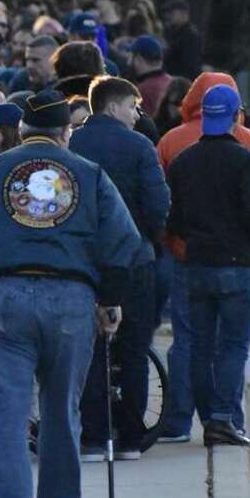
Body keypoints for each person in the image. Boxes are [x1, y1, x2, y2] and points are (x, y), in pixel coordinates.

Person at [0, 89, 142, 498]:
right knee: (59, 409)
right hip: (71, 297)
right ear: (65, 133)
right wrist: (110, 300)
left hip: (3, 295)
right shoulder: (89, 176)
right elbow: (123, 242)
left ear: (23, 132)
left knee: (7, 412)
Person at [157, 72, 250, 442]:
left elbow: (171, 216)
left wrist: (179, 247)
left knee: (194, 344)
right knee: (232, 346)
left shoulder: (178, 154)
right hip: (236, 264)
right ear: (235, 114)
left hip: (193, 262)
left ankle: (188, 418)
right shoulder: (248, 154)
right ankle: (223, 418)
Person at [69, 77, 170, 460]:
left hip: (83, 264)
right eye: (132, 106)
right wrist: (150, 237)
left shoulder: (73, 145)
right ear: (113, 107)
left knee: (90, 350)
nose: (136, 114)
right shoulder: (140, 146)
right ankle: (130, 438)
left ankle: (94, 437)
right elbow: (158, 204)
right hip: (133, 260)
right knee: (134, 348)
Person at [128, 34, 172, 117]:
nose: (128, 62)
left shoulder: (143, 90)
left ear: (139, 59)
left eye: (131, 57)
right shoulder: (171, 82)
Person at [162, 0, 203, 80]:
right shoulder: (171, 32)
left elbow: (190, 65)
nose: (169, 16)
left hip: (182, 81)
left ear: (183, 14)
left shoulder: (191, 36)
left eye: (172, 13)